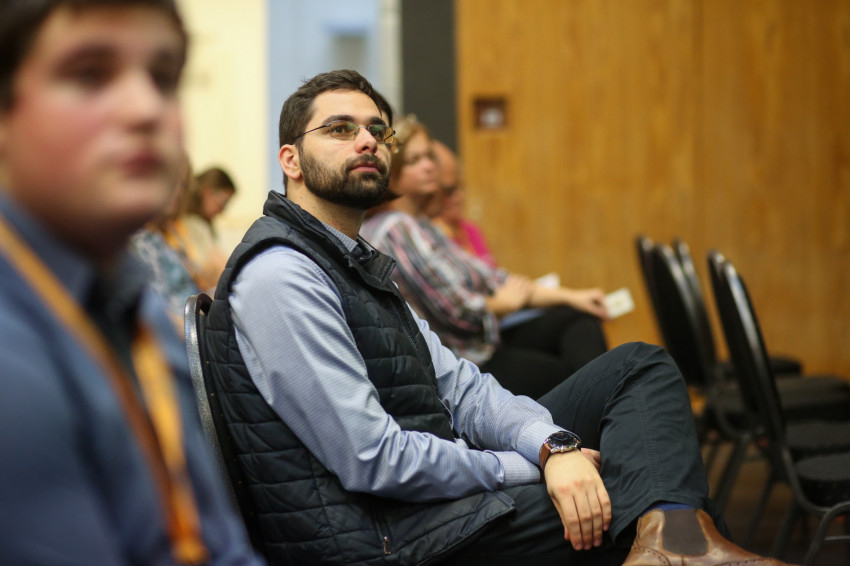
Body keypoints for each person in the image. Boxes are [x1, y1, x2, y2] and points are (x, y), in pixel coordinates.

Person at [202, 69, 793, 565]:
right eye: (340, 129)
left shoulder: (353, 260)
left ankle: (674, 549)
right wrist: (532, 467)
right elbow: (372, 460)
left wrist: (553, 446)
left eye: (378, 130)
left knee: (638, 367)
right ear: (291, 159)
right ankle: (678, 543)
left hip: (423, 501)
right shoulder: (282, 274)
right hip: (382, 536)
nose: (367, 141)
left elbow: (464, 389)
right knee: (634, 492)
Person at [0, 1, 262, 563]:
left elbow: (216, 544)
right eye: (89, 74)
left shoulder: (134, 305)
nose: (146, 108)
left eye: (164, 79)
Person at [362, 115, 610, 398]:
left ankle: (603, 409)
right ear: (393, 171)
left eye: (429, 156)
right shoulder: (396, 229)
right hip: (461, 363)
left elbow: (491, 278)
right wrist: (502, 304)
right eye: (414, 160)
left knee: (577, 319)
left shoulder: (423, 224)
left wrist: (572, 296)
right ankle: (602, 411)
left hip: (482, 341)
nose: (429, 166)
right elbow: (457, 313)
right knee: (576, 376)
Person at [131, 151, 200, 328]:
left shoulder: (165, 232)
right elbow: (155, 315)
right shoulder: (138, 238)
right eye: (171, 182)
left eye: (183, 186)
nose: (178, 192)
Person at [430, 140, 497, 268]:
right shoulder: (431, 235)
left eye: (460, 187)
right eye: (449, 191)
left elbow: (493, 271)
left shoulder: (470, 230)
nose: (459, 197)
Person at [167, 166, 235, 292]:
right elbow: (220, 270)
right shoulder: (192, 224)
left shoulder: (195, 224)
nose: (222, 211)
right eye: (223, 203)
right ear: (207, 192)